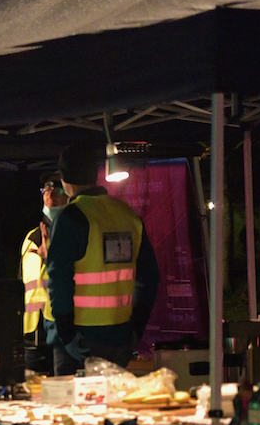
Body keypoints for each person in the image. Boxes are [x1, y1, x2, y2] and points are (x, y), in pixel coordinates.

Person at [45, 143, 159, 376]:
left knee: (72, 411)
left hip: (78, 342)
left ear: (64, 179)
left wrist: (67, 334)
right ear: (96, 174)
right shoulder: (127, 214)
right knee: (113, 410)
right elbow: (150, 277)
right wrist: (136, 328)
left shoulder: (70, 218)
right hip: (120, 338)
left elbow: (59, 280)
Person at [21, 172, 69, 374]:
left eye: (56, 192)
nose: (50, 198)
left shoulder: (71, 233)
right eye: (46, 192)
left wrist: (51, 257)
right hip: (32, 334)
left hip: (62, 328)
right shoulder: (32, 237)